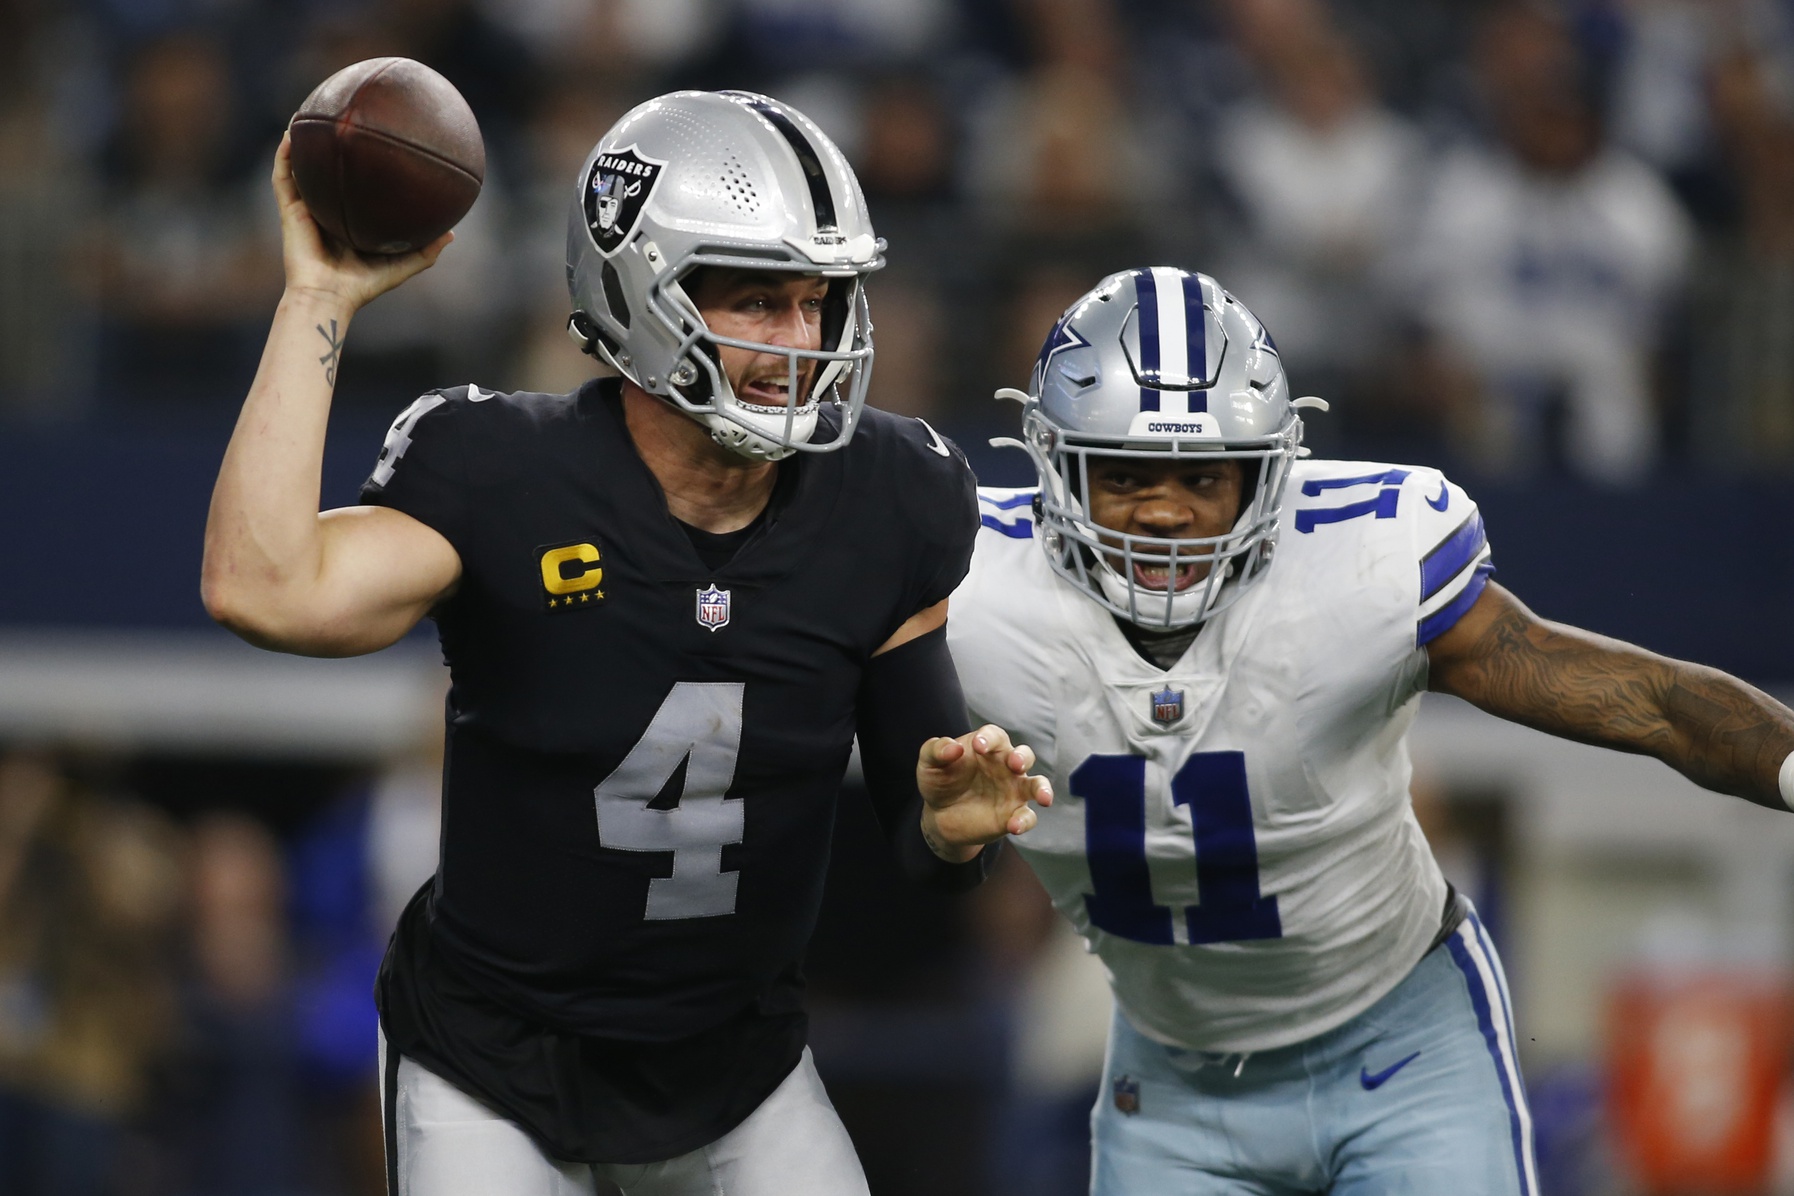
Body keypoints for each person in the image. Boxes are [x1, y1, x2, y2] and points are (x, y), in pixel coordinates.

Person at [200, 90, 1050, 1196]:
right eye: (758, 301)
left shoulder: (891, 495)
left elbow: (924, 840)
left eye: (818, 302)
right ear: (642, 292)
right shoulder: (504, 469)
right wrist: (317, 295)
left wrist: (949, 826)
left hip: (736, 1065)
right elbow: (262, 588)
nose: (802, 341)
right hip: (492, 1060)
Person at [945, 265, 1794, 1194]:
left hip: (1407, 1053)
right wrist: (933, 817)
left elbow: (1653, 704)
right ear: (1054, 467)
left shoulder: (1358, 566)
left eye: (1203, 475)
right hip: (1175, 1085)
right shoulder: (971, 586)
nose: (1164, 511)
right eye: (1124, 474)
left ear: (1268, 475)